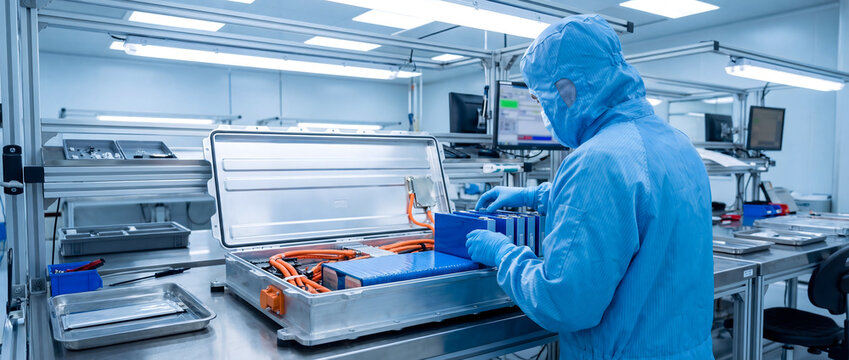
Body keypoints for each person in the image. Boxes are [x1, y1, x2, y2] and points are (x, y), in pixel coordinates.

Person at [465, 14, 714, 359]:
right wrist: (532, 195)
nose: (545, 114)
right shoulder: (677, 143)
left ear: (566, 91)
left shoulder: (597, 160)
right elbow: (633, 203)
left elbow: (564, 304)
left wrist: (503, 254)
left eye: (541, 101)